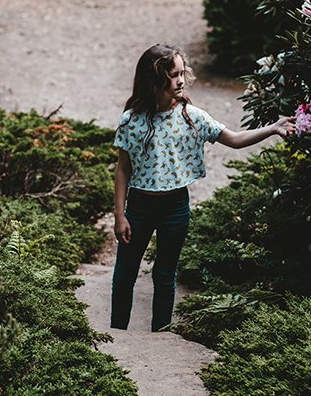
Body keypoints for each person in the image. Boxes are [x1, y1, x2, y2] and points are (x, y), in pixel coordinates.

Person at [111, 43, 295, 332]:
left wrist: (273, 127)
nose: (180, 80)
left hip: (175, 208)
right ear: (153, 79)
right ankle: (117, 334)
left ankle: (160, 334)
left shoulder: (192, 117)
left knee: (165, 274)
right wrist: (119, 215)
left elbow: (233, 139)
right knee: (124, 274)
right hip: (139, 208)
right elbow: (123, 168)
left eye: (182, 73)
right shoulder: (132, 120)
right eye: (173, 75)